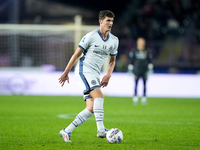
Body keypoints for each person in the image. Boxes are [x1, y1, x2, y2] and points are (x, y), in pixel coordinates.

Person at [58, 10, 119, 142]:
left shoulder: (114, 40)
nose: (110, 23)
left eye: (112, 21)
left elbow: (112, 61)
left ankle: (66, 131)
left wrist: (108, 74)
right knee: (100, 96)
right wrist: (66, 72)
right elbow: (76, 54)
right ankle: (101, 130)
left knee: (91, 108)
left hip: (95, 74)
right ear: (100, 21)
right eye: (108, 20)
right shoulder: (90, 36)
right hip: (83, 70)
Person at [128, 37, 153, 104]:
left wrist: (150, 68)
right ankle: (135, 97)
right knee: (136, 84)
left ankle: (144, 97)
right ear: (137, 43)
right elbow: (131, 60)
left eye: (142, 42)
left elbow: (150, 60)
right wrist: (130, 68)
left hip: (145, 70)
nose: (141, 43)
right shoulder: (134, 51)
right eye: (140, 42)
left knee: (144, 84)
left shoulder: (147, 51)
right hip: (137, 70)